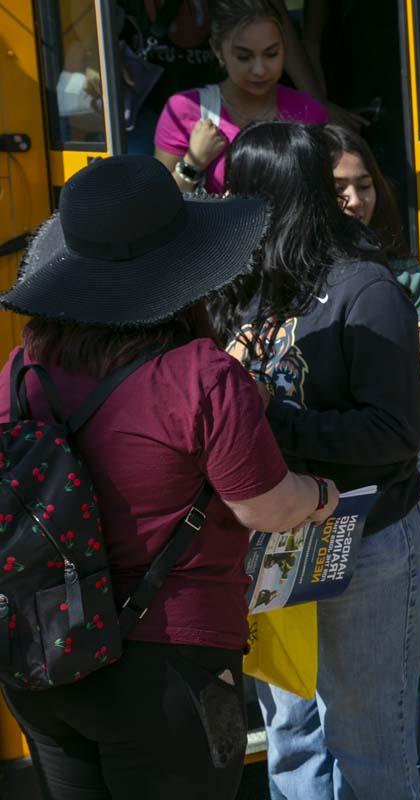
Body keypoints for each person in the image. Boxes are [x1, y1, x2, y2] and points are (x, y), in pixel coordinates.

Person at [0, 155, 339, 800]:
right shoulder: (201, 375)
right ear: (184, 267)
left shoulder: (24, 366)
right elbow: (263, 506)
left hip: (42, 653)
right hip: (166, 667)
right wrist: (320, 497)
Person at [214, 120, 420, 800]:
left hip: (364, 542)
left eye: (243, 194)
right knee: (293, 741)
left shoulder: (367, 290)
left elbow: (396, 434)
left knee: (370, 746)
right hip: (274, 542)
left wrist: (265, 414)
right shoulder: (236, 289)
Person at [322, 123, 420, 768]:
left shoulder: (404, 276)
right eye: (339, 190)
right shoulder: (288, 276)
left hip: (396, 476)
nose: (356, 200)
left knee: (395, 662)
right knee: (308, 689)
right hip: (313, 480)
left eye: (364, 185)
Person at [153, 0, 329, 195]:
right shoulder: (185, 110)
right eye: (244, 57)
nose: (259, 70)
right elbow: (159, 206)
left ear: (285, 48)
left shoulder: (308, 112)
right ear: (218, 50)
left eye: (271, 54)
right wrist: (193, 163)